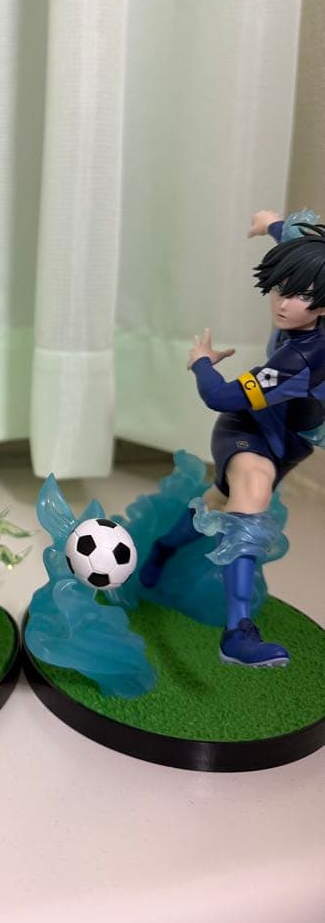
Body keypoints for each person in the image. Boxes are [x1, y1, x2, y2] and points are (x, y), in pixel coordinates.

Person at [139, 211, 325, 666]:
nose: (283, 303)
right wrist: (202, 361)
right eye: (280, 288)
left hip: (290, 443)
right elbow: (221, 396)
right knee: (252, 491)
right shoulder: (298, 359)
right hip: (248, 429)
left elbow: (302, 244)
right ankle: (237, 633)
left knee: (218, 503)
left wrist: (275, 224)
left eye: (301, 294)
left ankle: (164, 547)